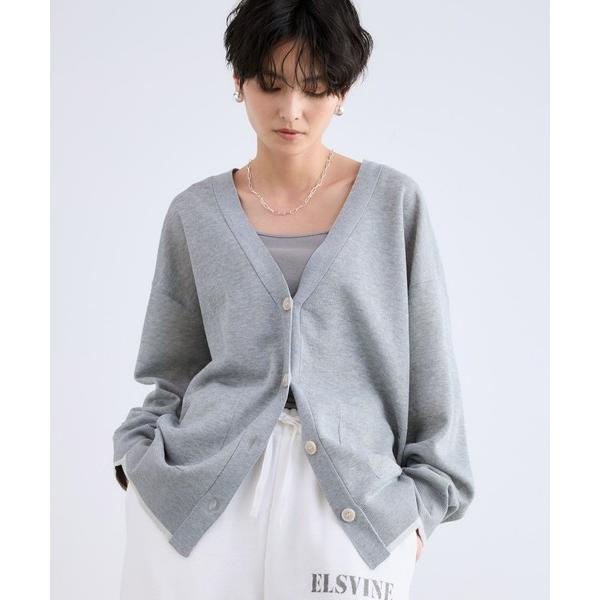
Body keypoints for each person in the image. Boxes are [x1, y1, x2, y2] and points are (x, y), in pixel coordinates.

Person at [113, 1, 475, 598]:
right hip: (198, 496)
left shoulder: (393, 205)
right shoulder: (195, 214)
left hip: (352, 502)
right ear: (238, 81)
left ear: (343, 90)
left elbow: (432, 372)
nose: (291, 110)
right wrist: (137, 464)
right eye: (271, 84)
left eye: (315, 87)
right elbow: (172, 373)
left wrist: (421, 510)